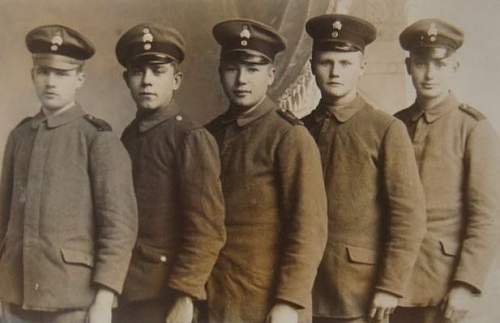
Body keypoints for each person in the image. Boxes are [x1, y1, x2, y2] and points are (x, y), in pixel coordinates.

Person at [0, 24, 138, 323]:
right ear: (33, 76)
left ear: (79, 79)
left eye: (62, 74)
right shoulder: (19, 136)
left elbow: (119, 228)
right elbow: (4, 218)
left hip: (73, 300)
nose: (51, 82)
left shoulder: (97, 138)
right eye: (44, 72)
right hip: (15, 298)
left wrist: (105, 297)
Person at [302, 14, 426, 323]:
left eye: (345, 63)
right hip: (301, 288)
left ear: (362, 68)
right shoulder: (297, 130)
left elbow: (408, 216)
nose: (334, 72)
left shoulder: (385, 129)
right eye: (326, 62)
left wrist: (391, 285)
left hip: (357, 292)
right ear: (312, 66)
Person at [204, 18, 328, 323]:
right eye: (233, 68)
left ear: (271, 75)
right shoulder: (208, 135)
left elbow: (309, 228)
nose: (241, 80)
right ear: (221, 72)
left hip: (266, 301)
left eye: (253, 69)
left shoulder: (289, 136)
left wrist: (289, 301)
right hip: (214, 297)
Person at [112, 24, 226, 323]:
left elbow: (207, 230)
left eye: (158, 71)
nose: (147, 81)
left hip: (164, 297)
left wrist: (185, 297)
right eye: (138, 72)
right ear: (126, 80)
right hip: (125, 292)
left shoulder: (189, 137)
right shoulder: (128, 136)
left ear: (176, 80)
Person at [391, 18, 500, 323]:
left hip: (439, 284)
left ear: (455, 67)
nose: (429, 74)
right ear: (408, 66)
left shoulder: (473, 129)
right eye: (421, 63)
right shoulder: (393, 125)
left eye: (439, 64)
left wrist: (465, 284)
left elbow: (486, 216)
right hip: (388, 281)